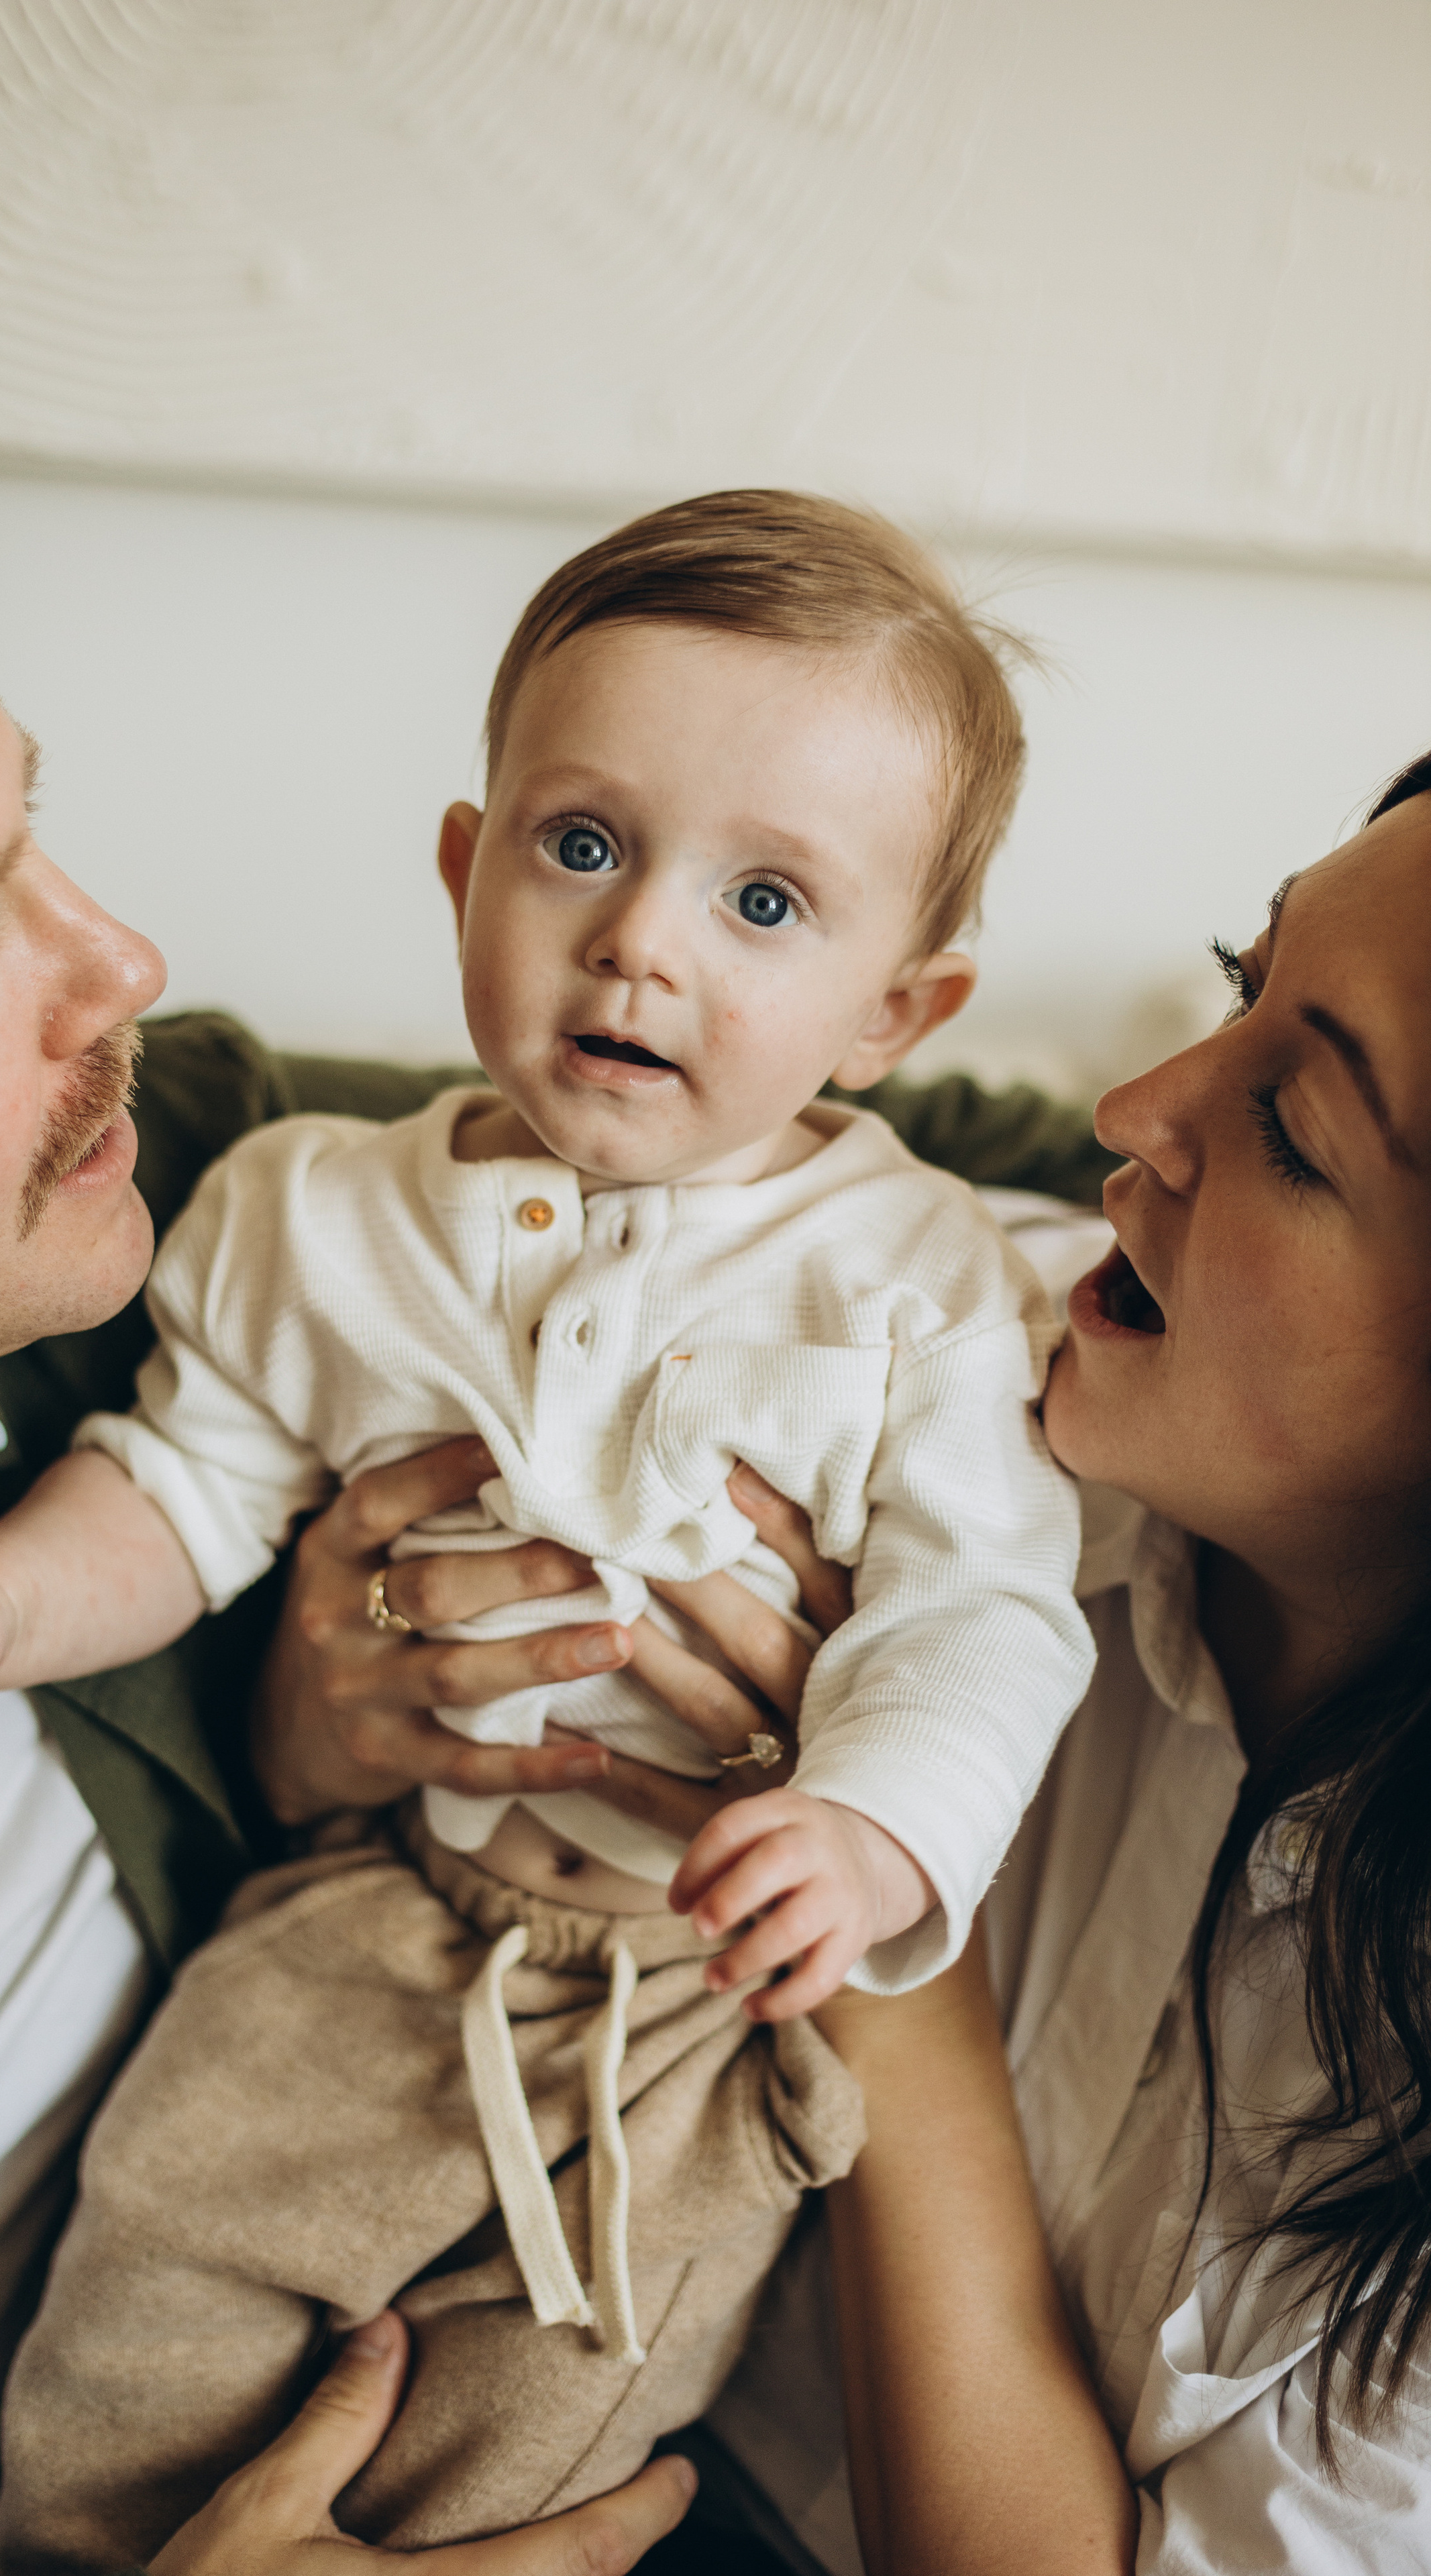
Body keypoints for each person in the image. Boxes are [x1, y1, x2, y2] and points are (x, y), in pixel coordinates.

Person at [0, 419, 1107, 2573]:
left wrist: (874, 1830)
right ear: (466, 866)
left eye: (759, 904)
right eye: (578, 847)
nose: (128, 969)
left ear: (892, 1010)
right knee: (153, 2297)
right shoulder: (308, 1212)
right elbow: (181, 1482)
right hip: (357, 1952)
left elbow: (990, 1600)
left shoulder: (914, 1272)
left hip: (681, 1990)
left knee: (564, 2394)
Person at [261, 753, 1431, 2571]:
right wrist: (322, 1711)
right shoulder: (919, 1341)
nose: (1132, 1111)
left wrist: (883, 1885)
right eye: (1235, 985)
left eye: (1298, 1130)